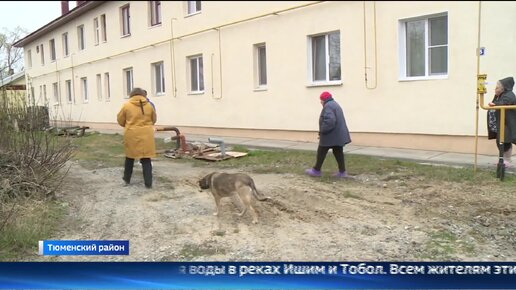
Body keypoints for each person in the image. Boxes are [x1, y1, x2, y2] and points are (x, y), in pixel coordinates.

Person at [117, 87, 157, 188]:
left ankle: (126, 179)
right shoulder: (149, 105)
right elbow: (154, 119)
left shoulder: (126, 105)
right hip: (147, 134)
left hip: (131, 133)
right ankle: (148, 183)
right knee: (146, 158)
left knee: (130, 157)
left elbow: (120, 120)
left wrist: (128, 125)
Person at [305, 91, 351, 178]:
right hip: (338, 135)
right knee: (338, 152)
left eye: (321, 100)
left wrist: (322, 131)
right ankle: (342, 172)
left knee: (321, 151)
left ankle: (316, 170)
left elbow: (330, 121)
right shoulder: (335, 104)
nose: (320, 102)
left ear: (323, 100)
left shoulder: (328, 106)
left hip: (330, 135)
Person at [487, 76, 516, 168]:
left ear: (504, 87)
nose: (495, 88)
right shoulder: (499, 95)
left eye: (498, 86)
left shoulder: (510, 94)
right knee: (499, 141)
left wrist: (495, 104)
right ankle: (502, 159)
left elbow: (505, 102)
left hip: (507, 123)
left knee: (506, 141)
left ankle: (507, 160)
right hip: (499, 123)